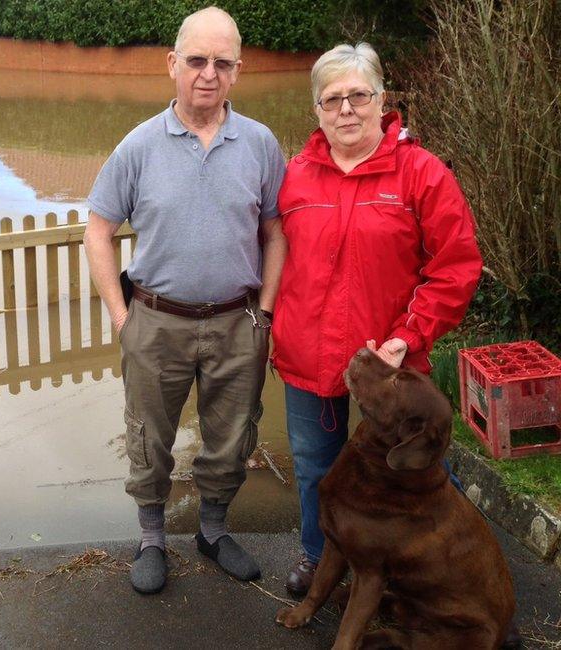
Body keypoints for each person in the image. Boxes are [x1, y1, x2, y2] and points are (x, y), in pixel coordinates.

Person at [84, 6, 287, 594]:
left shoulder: (260, 144)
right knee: (149, 436)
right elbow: (98, 230)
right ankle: (151, 538)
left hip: (236, 323)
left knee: (232, 436)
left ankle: (214, 530)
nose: (208, 73)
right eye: (196, 60)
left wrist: (265, 313)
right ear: (173, 64)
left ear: (238, 71)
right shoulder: (139, 145)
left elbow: (276, 231)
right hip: (156, 322)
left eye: (222, 63)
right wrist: (123, 320)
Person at [270, 42, 483, 597]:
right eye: (332, 98)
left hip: (389, 369)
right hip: (309, 362)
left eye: (358, 95)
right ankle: (320, 560)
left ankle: (463, 575)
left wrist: (406, 338)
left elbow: (456, 268)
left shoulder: (422, 174)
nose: (346, 109)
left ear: (382, 99)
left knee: (417, 473)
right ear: (316, 109)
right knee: (317, 469)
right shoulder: (295, 176)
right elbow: (269, 253)